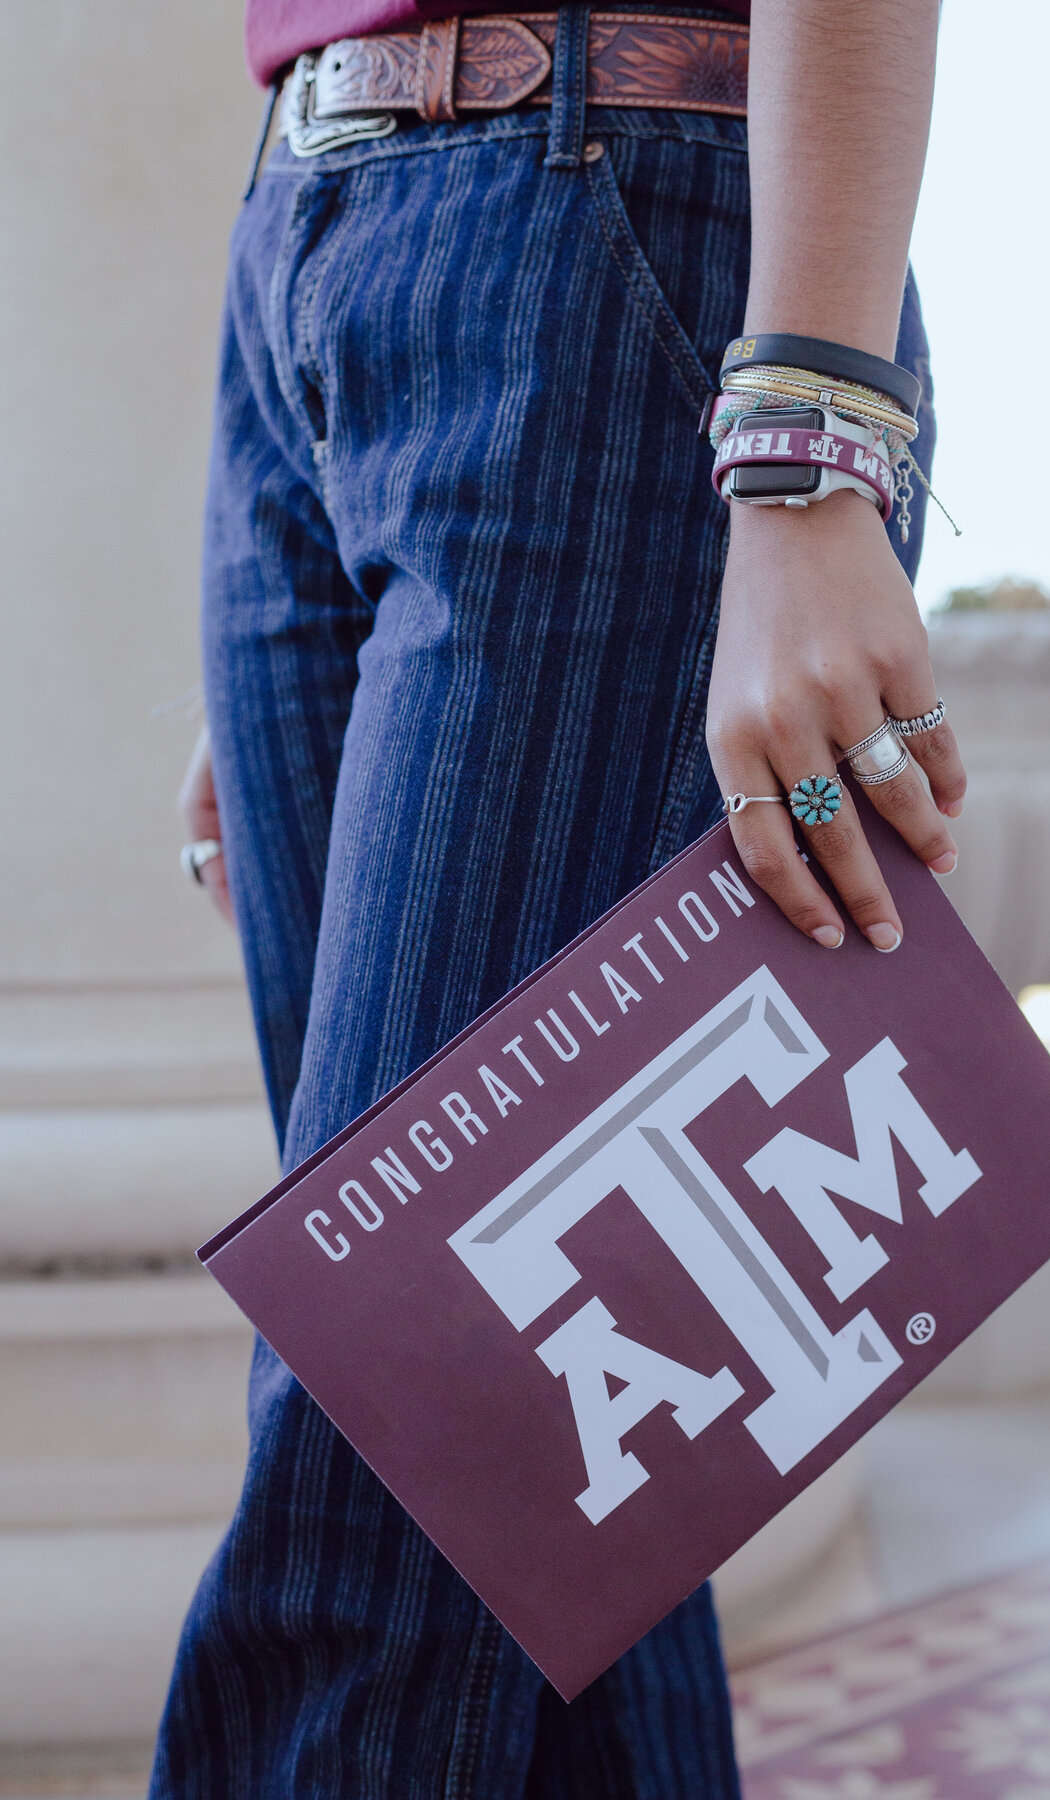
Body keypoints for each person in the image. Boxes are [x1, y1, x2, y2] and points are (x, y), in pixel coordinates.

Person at [161, 1, 966, 1793]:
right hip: (307, 252)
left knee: (392, 1444)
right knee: (559, 1475)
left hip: (601, 236)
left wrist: (815, 434)